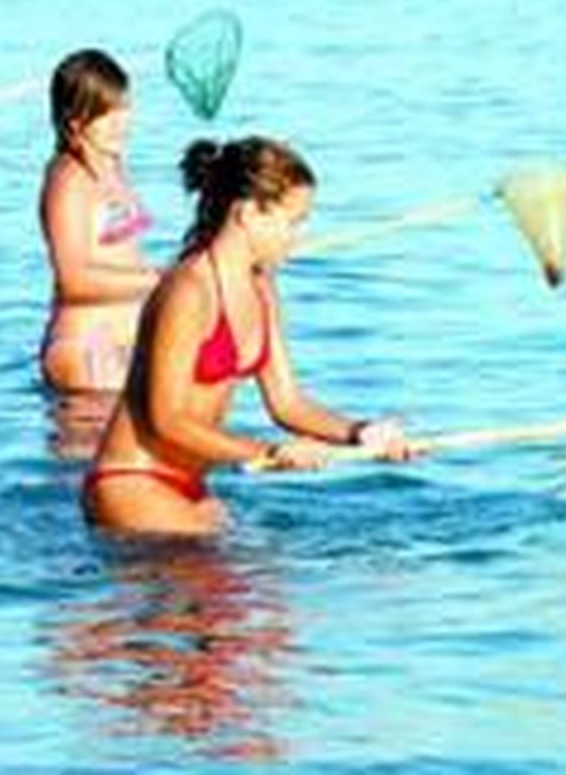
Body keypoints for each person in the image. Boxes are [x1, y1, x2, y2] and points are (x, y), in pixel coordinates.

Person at [83, 137, 418, 537]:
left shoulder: (261, 287)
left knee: (259, 590)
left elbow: (287, 403)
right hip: (131, 480)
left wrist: (362, 434)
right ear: (247, 213)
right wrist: (269, 452)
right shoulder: (188, 290)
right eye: (293, 221)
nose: (299, 236)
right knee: (238, 590)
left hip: (190, 485)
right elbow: (166, 420)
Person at [39, 50, 160, 395]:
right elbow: (73, 279)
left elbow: (122, 257)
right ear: (75, 120)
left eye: (123, 108)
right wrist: (161, 280)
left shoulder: (111, 166)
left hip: (125, 345)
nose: (121, 122)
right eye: (106, 114)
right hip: (87, 348)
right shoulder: (68, 179)